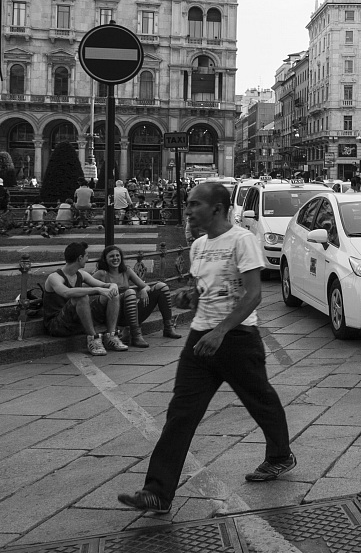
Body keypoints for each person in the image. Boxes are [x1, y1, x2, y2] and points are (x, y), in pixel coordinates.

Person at [118, 182, 295, 515]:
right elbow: (201, 290)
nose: (187, 210)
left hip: (238, 338)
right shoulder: (198, 246)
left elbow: (253, 294)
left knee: (260, 401)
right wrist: (190, 297)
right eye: (187, 204)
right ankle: (157, 492)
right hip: (200, 339)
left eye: (194, 204)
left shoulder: (243, 240)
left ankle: (280, 455)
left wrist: (221, 331)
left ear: (217, 208)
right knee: (181, 414)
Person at [40, 241, 129, 356]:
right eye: (86, 256)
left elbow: (104, 285)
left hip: (77, 320)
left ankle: (111, 336)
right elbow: (66, 293)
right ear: (80, 258)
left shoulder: (81, 274)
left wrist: (112, 286)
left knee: (113, 293)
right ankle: (93, 338)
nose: (88, 259)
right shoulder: (54, 277)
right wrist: (96, 290)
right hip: (57, 324)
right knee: (81, 297)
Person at [94, 245, 182, 347]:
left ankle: (168, 327)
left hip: (131, 312)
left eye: (117, 255)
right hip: (114, 315)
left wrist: (144, 289)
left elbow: (146, 286)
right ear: (105, 259)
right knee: (130, 292)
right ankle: (135, 335)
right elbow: (84, 285)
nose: (115, 258)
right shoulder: (101, 274)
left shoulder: (126, 271)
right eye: (111, 256)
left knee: (162, 287)